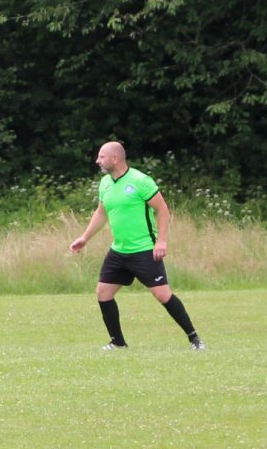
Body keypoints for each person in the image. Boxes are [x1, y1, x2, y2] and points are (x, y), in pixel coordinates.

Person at [67, 142, 202, 349]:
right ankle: (118, 343)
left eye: (101, 157)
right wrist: (85, 238)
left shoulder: (140, 181)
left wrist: (161, 241)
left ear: (115, 159)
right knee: (103, 293)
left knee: (162, 295)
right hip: (119, 251)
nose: (97, 161)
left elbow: (162, 209)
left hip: (144, 250)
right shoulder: (105, 183)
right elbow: (101, 212)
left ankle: (195, 339)